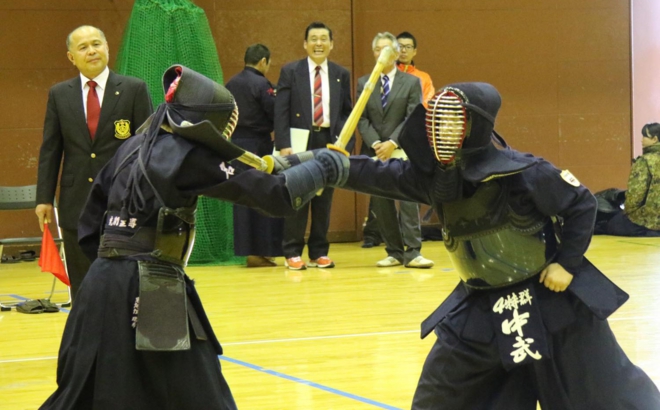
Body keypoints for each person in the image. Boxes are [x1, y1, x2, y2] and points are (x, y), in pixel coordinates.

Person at [40, 65, 349, 409]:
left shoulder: (132, 148)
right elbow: (276, 195)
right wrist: (325, 168)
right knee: (201, 396)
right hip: (153, 287)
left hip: (99, 288)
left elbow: (88, 227)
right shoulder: (189, 155)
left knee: (89, 396)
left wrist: (309, 158)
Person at [338, 82, 660, 408]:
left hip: (552, 300)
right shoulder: (431, 178)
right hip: (481, 305)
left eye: (454, 122)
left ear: (475, 125)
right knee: (441, 396)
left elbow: (581, 204)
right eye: (440, 122)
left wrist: (566, 263)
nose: (444, 131)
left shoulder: (526, 171)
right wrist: (329, 166)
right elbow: (375, 173)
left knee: (598, 394)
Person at [35, 25, 153, 301]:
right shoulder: (59, 94)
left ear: (107, 48)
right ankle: (84, 326)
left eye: (96, 44)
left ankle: (121, 326)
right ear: (71, 57)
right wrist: (44, 198)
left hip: (122, 200)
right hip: (75, 201)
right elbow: (51, 149)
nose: (91, 51)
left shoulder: (133, 89)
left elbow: (147, 147)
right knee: (82, 281)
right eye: (83, 47)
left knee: (122, 277)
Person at [274, 21, 353, 270]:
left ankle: (319, 252)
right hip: (299, 143)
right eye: (314, 39)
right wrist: (283, 144)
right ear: (305, 44)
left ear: (332, 44)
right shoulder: (291, 71)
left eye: (324, 39)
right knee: (297, 194)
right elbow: (281, 110)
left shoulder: (341, 74)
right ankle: (292, 251)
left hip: (328, 143)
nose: (319, 43)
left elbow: (346, 112)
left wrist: (344, 143)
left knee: (324, 199)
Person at [357, 32, 433, 269]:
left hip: (402, 149)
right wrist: (376, 144)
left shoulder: (411, 82)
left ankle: (413, 252)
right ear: (374, 53)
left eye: (387, 49)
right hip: (375, 151)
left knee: (408, 200)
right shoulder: (364, 82)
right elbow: (361, 118)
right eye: (378, 49)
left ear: (396, 52)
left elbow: (412, 116)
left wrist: (392, 142)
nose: (383, 53)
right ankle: (394, 252)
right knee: (381, 202)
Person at [226, 44, 284, 267]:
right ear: (263, 62)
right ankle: (261, 251)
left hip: (236, 145)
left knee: (242, 197)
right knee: (262, 194)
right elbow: (275, 112)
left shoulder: (231, 84)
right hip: (258, 146)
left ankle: (247, 251)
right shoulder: (262, 84)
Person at [595, 122, 660, 237]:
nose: (641, 140)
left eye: (645, 136)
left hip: (646, 220)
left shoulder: (645, 161)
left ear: (655, 139)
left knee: (609, 224)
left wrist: (628, 212)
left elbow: (636, 194)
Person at [396, 31, 435, 107]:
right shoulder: (387, 74)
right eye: (400, 46)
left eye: (408, 47)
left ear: (414, 51)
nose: (403, 50)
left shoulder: (424, 78)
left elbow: (428, 104)